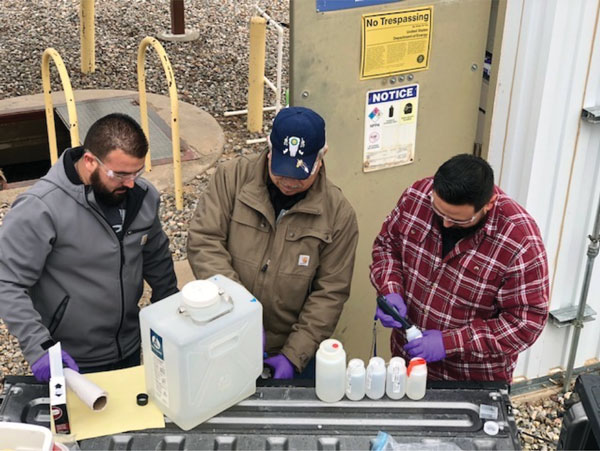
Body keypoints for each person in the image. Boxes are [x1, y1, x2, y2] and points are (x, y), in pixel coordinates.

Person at [0, 113, 178, 381]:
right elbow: (7, 282)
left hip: (129, 346)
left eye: (137, 172)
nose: (131, 183)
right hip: (70, 359)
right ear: (89, 161)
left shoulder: (143, 197)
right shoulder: (41, 208)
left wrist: (172, 310)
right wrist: (40, 349)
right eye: (119, 174)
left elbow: (156, 258)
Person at [187, 106, 359, 379]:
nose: (288, 182)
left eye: (300, 174)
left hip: (287, 347)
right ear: (269, 150)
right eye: (281, 170)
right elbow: (204, 241)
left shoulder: (339, 215)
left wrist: (294, 355)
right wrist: (242, 314)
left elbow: (330, 292)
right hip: (223, 329)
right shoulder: (231, 178)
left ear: (321, 158)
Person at [370, 154, 549, 382]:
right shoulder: (417, 197)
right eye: (439, 211)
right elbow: (387, 247)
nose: (445, 223)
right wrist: (390, 290)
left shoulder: (519, 241)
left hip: (472, 377)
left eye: (458, 220)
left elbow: (526, 323)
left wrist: (450, 342)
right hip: (407, 361)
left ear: (489, 204)